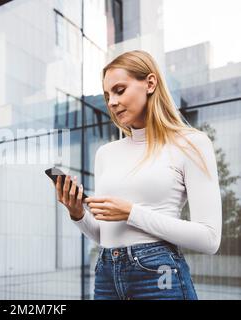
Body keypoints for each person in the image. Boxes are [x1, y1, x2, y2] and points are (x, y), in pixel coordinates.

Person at [54, 50, 222, 300]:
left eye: (119, 90)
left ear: (150, 83)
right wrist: (77, 214)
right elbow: (105, 234)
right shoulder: (106, 153)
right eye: (107, 95)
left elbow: (209, 239)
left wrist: (132, 212)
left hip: (159, 275)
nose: (111, 102)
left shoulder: (191, 143)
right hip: (106, 276)